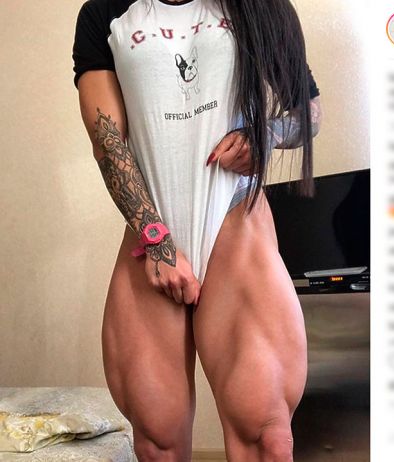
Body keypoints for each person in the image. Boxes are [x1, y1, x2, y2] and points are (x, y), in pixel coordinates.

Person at [72, 0, 323, 460]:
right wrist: (155, 239)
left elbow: (307, 114)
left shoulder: (260, 7)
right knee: (157, 438)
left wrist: (264, 136)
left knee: (266, 434)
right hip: (151, 230)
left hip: (234, 218)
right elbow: (107, 139)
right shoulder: (105, 12)